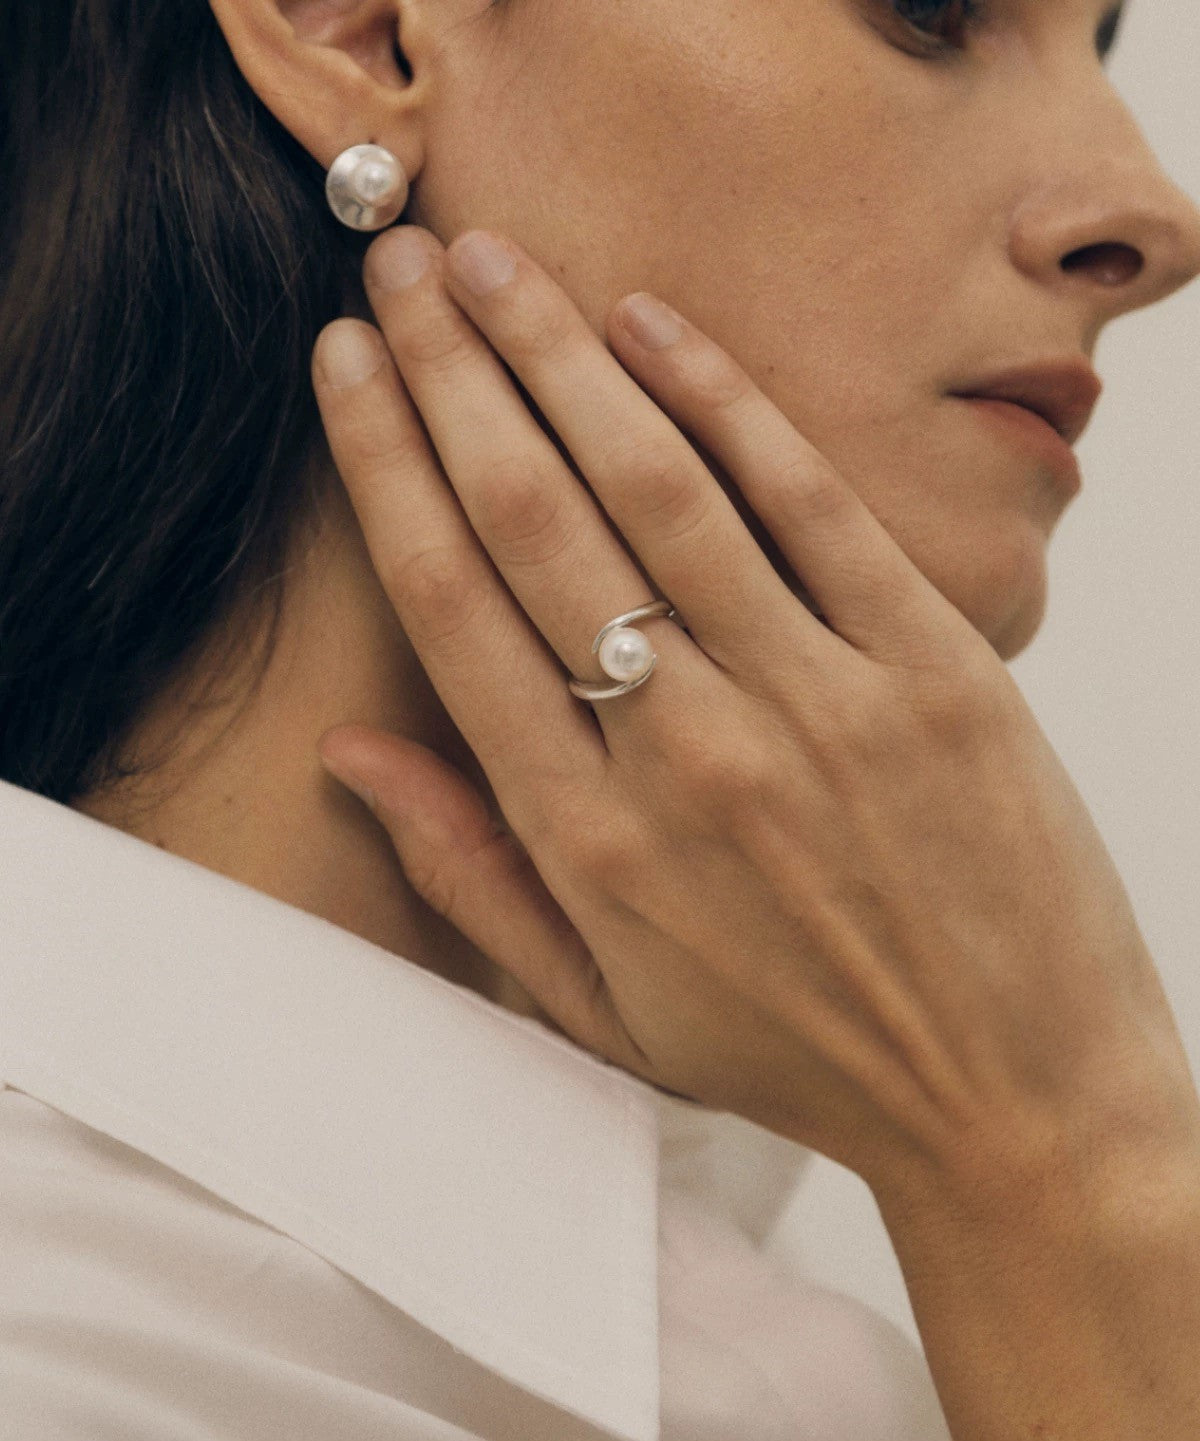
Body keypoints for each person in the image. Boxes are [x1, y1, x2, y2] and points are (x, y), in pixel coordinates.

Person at [3, 0, 1200, 1437]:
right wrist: (1066, 1166)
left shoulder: (792, 1318)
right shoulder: (70, 1351)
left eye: (1102, 44)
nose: (1153, 219)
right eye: (932, 10)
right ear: (366, 34)